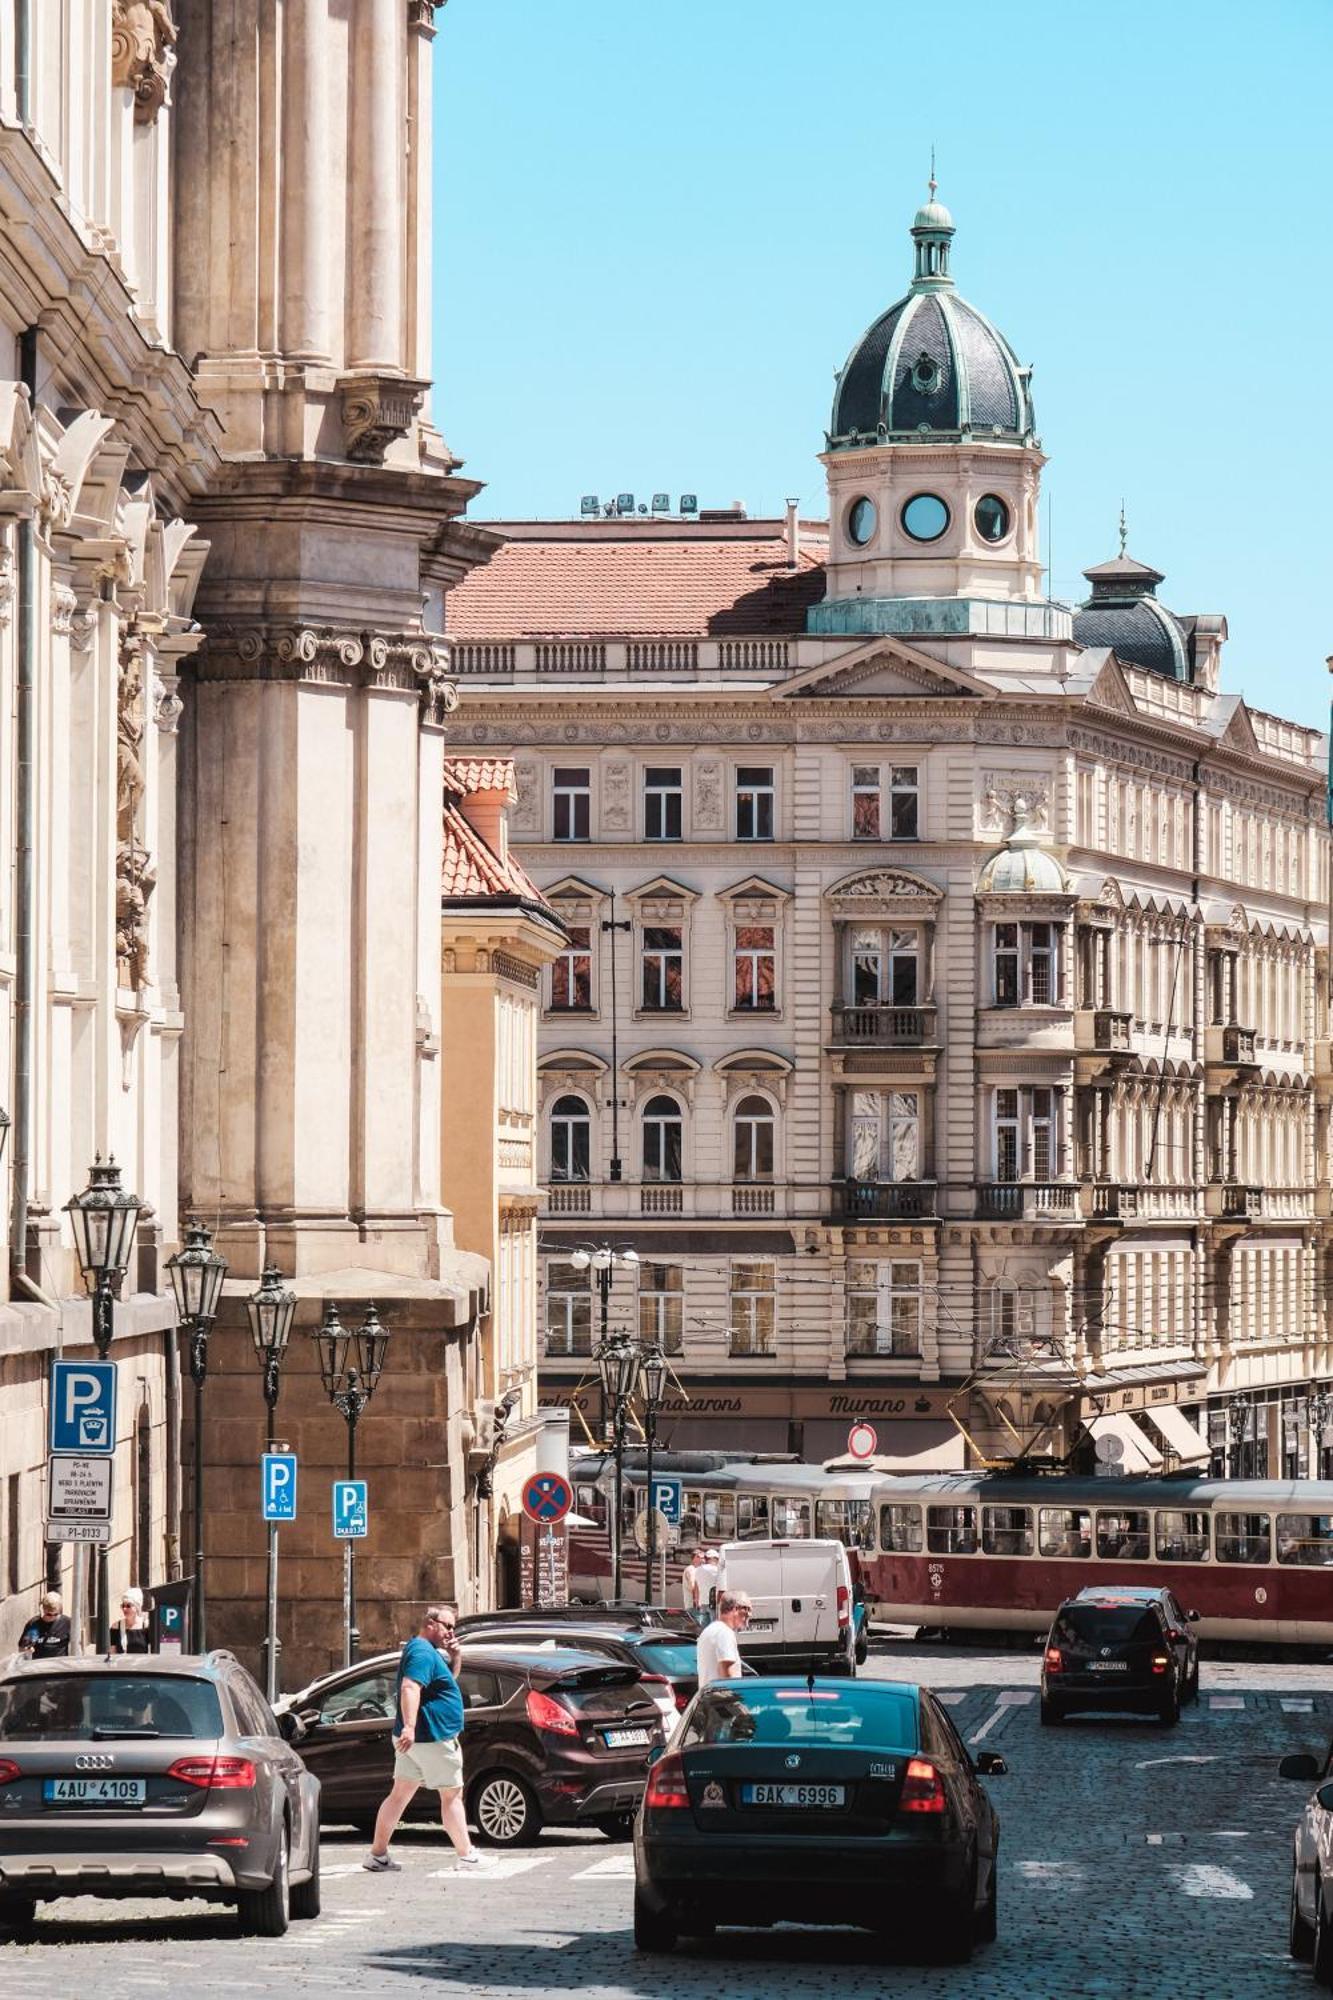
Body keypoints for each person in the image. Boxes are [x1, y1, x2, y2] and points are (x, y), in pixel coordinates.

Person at [364, 1604, 482, 1874]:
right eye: (447, 1626)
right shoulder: (421, 1652)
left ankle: (377, 1855)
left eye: (454, 1627)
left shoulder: (427, 1652)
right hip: (432, 1737)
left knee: (399, 1795)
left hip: (418, 1739)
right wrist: (409, 1726)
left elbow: (447, 1683)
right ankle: (467, 1855)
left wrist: (456, 1656)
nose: (451, 1632)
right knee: (451, 1795)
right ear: (430, 1623)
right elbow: (409, 1687)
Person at [696, 1589, 752, 1685]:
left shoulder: (709, 1630)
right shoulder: (724, 1633)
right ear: (735, 1609)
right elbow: (726, 1672)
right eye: (747, 1610)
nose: (750, 1614)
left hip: (711, 1696)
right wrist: (736, 1697)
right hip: (723, 1698)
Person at [18, 1592, 70, 1659]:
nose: (52, 1617)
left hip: (59, 1666)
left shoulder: (66, 1623)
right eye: (49, 1614)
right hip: (39, 1666)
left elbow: (76, 1645)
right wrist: (27, 1651)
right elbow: (21, 1648)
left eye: (56, 1614)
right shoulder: (34, 1624)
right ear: (43, 1610)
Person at [108, 1587, 151, 1654]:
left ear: (137, 1607)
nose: (124, 1609)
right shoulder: (116, 1627)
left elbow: (152, 1652)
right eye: (123, 1606)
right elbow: (112, 1653)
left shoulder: (146, 1625)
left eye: (128, 1606)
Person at [694, 1547, 721, 1613]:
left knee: (703, 1623)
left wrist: (697, 1601)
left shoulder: (698, 1570)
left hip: (702, 1603)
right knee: (713, 1623)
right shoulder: (716, 1570)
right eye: (717, 1559)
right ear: (713, 1558)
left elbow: (696, 1587)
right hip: (713, 1603)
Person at [680, 1548, 704, 1613]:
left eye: (702, 1557)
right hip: (693, 1605)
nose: (702, 1559)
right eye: (699, 1557)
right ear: (694, 1558)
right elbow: (692, 1586)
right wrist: (696, 1600)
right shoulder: (691, 1569)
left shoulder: (698, 1570)